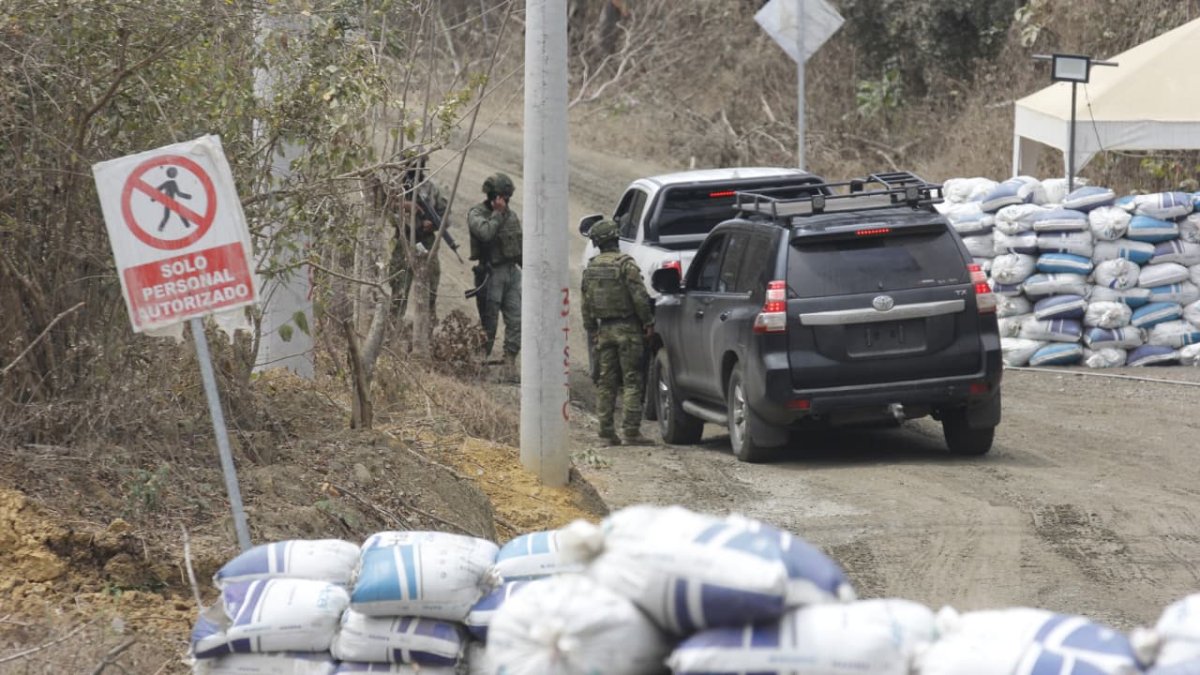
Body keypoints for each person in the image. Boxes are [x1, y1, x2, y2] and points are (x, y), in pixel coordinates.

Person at [581, 219, 655, 446]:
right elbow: (639, 297)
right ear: (615, 238)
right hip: (628, 329)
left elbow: (585, 303)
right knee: (632, 380)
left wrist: (592, 329)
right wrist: (648, 321)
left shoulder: (591, 267)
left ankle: (606, 433)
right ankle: (631, 432)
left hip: (604, 331)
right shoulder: (626, 265)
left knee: (606, 382)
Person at [467, 173, 522, 369]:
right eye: (502, 197)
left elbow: (518, 245)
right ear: (493, 196)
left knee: (517, 319)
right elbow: (485, 233)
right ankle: (480, 361)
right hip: (491, 273)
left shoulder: (511, 216)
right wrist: (497, 214)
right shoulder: (477, 214)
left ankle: (509, 363)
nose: (505, 201)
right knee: (489, 322)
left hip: (511, 273)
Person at [389, 162, 454, 323]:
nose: (415, 169)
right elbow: (384, 207)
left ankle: (426, 333)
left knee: (430, 288)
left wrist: (433, 223)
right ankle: (393, 330)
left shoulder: (431, 189)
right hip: (404, 239)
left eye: (419, 164)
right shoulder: (396, 187)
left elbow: (446, 217)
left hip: (426, 241)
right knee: (399, 290)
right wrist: (405, 205)